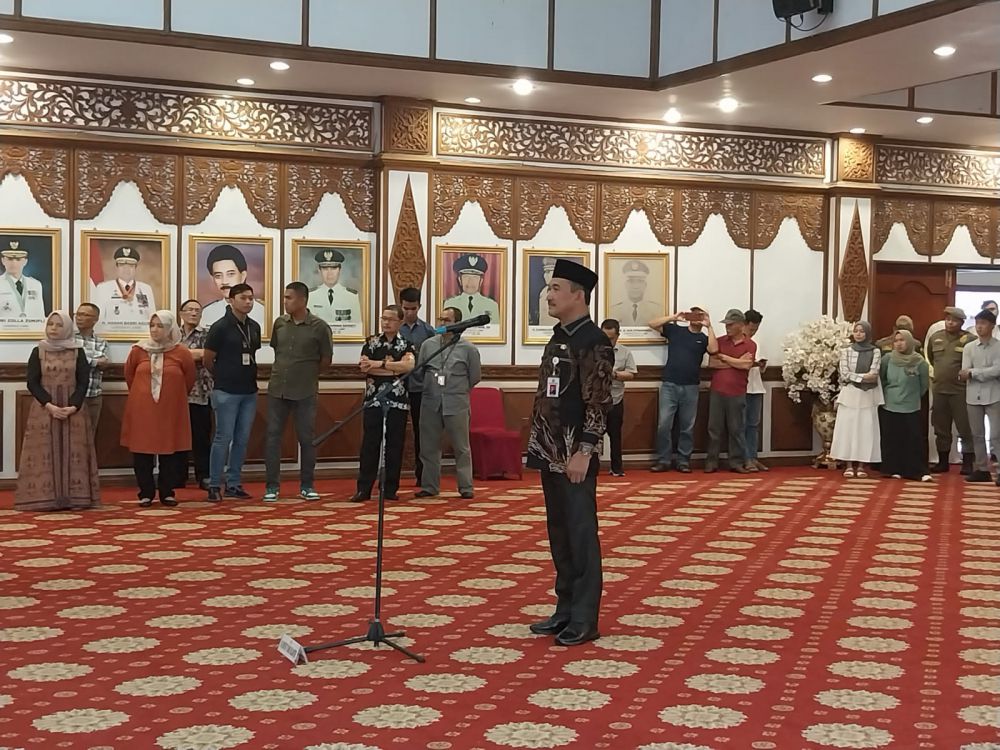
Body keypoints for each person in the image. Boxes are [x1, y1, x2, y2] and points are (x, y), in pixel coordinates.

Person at [527, 259, 614, 647]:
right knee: (559, 533)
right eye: (549, 288)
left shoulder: (594, 341)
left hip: (575, 453)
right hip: (550, 450)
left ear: (579, 295)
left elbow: (599, 402)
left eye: (556, 288)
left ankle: (584, 617)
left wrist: (585, 450)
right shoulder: (558, 336)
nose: (549, 295)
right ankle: (564, 608)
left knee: (580, 534)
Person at [15, 311, 100, 511]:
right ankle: (44, 498)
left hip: (74, 411)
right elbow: (32, 382)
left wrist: (73, 406)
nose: (53, 328)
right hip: (44, 410)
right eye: (50, 324)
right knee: (44, 453)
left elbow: (83, 382)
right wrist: (50, 405)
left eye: (59, 325)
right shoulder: (38, 351)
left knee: (74, 453)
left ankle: (76, 498)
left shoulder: (78, 352)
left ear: (68, 328)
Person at [263, 282, 333, 502]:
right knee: (273, 438)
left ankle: (307, 485)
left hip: (305, 391)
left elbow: (326, 360)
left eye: (289, 297)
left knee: (307, 439)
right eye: (284, 297)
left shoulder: (319, 327)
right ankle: (272, 487)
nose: (285, 301)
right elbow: (277, 349)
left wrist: (307, 375)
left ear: (302, 300)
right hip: (278, 389)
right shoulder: (280, 323)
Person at [121, 311, 196, 507]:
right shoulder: (138, 350)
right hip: (143, 409)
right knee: (142, 451)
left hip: (171, 410)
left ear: (170, 328)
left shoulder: (181, 352)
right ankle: (145, 493)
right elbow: (130, 376)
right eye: (152, 325)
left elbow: (189, 379)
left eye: (160, 326)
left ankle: (167, 492)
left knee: (169, 451)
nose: (155, 330)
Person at [414, 306, 482, 500]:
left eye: (447, 320)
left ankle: (466, 487)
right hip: (430, 402)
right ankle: (430, 486)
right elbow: (420, 372)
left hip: (456, 403)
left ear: (458, 324)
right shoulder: (428, 345)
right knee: (428, 447)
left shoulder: (469, 349)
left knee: (461, 448)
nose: (442, 323)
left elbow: (474, 377)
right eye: (440, 319)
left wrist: (456, 389)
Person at [350, 305, 415, 502]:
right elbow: (365, 367)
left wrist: (379, 364)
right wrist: (394, 369)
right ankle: (364, 489)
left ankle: (390, 488)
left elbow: (408, 366)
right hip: (373, 400)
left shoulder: (407, 344)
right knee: (370, 444)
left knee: (395, 445)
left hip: (398, 401)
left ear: (400, 322)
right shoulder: (371, 342)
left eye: (391, 319)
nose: (386, 322)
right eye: (383, 318)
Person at [203, 283, 262, 502]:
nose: (248, 302)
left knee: (242, 439)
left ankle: (234, 483)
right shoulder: (220, 327)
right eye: (243, 298)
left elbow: (252, 354)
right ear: (231, 300)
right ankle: (214, 484)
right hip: (226, 390)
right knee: (223, 438)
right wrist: (222, 375)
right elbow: (208, 359)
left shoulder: (254, 326)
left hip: (249, 390)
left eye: (251, 298)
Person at [648, 307, 718, 472]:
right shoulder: (675, 330)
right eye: (693, 314)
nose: (696, 317)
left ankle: (683, 461)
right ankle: (664, 460)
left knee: (687, 426)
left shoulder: (703, 338)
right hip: (670, 385)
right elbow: (652, 324)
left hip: (691, 387)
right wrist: (674, 317)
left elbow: (714, 350)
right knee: (664, 425)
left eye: (699, 315)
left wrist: (709, 326)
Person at [705, 309, 757, 473]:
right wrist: (736, 362)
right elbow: (712, 363)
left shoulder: (750, 344)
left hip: (737, 392)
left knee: (736, 429)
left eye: (731, 324)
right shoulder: (720, 341)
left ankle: (735, 462)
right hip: (717, 390)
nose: (727, 327)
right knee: (714, 428)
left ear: (741, 325)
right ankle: (711, 461)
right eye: (726, 324)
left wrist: (726, 358)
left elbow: (746, 365)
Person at [831, 322, 883, 478]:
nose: (859, 334)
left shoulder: (875, 351)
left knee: (865, 430)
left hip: (868, 396)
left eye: (862, 331)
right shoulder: (846, 351)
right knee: (848, 430)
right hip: (850, 395)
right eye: (856, 331)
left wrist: (856, 377)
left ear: (867, 333)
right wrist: (862, 377)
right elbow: (844, 374)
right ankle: (848, 465)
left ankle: (861, 465)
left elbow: (874, 374)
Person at [926, 306, 974, 474]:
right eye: (947, 319)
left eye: (954, 320)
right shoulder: (936, 337)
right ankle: (942, 461)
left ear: (961, 322)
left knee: (965, 428)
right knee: (941, 428)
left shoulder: (970, 340)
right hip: (940, 390)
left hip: (961, 391)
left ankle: (968, 462)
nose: (950, 323)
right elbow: (931, 359)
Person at [879, 330, 931, 482]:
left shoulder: (919, 361)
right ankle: (892, 469)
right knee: (892, 438)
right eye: (896, 341)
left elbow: (924, 385)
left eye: (902, 340)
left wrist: (911, 396)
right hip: (890, 404)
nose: (899, 343)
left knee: (913, 440)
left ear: (909, 341)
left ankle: (914, 471)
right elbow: (882, 380)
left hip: (911, 406)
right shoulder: (887, 359)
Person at [399, 287, 437, 487]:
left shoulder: (428, 331)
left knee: (422, 433)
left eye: (413, 309)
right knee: (395, 432)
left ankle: (422, 475)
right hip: (398, 387)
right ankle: (391, 477)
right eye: (405, 308)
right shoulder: (395, 329)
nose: (409, 312)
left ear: (419, 307)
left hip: (420, 388)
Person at [960, 309, 1000, 484]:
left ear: (992, 326)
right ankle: (982, 469)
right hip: (973, 395)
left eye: (983, 323)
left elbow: (997, 370)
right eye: (977, 323)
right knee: (977, 434)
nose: (979, 327)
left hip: (994, 395)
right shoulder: (969, 347)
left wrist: (974, 373)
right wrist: (977, 373)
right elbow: (964, 371)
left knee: (996, 435)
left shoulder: (998, 347)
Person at [178, 299, 214, 490]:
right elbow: (166, 354)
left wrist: (180, 355)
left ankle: (204, 475)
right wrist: (192, 354)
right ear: (181, 313)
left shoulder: (207, 334)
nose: (194, 313)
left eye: (197, 310)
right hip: (176, 394)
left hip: (201, 392)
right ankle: (177, 475)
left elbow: (206, 355)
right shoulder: (172, 334)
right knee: (177, 437)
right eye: (190, 310)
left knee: (201, 437)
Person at [600, 319, 637, 477]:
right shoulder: (593, 351)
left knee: (615, 436)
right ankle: (590, 468)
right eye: (604, 337)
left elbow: (631, 374)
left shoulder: (625, 352)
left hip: (615, 399)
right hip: (595, 401)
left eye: (611, 338)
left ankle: (616, 468)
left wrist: (614, 374)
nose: (607, 341)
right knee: (591, 436)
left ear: (618, 336)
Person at [200, 244, 267, 329]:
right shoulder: (207, 313)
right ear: (212, 278)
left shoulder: (262, 312)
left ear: (243, 276)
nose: (224, 282)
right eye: (218, 276)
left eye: (230, 274)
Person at [91, 246, 156, 328]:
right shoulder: (103, 288)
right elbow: (98, 320)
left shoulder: (146, 289)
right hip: (112, 334)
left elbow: (152, 318)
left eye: (130, 266)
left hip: (141, 334)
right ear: (117, 267)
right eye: (122, 265)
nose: (126, 269)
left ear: (136, 268)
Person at [73, 302, 110, 440]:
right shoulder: (69, 339)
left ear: (95, 319)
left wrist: (83, 360)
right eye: (78, 314)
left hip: (93, 396)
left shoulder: (101, 342)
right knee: (72, 437)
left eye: (84, 315)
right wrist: (94, 361)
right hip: (73, 396)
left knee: (89, 436)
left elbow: (104, 364)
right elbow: (71, 362)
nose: (79, 318)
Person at [307, 247, 363, 336]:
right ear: (319, 271)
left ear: (339, 270)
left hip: (345, 341)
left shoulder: (352, 296)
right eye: (325, 268)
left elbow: (357, 328)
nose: (329, 273)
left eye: (333, 268)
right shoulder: (310, 296)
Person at [743, 309, 768, 472]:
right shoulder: (738, 342)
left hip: (756, 386)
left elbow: (760, 368)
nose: (753, 332)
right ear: (744, 325)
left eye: (756, 329)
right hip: (742, 387)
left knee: (753, 425)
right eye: (751, 329)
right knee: (742, 425)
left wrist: (761, 365)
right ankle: (745, 458)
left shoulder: (757, 342)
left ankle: (753, 457)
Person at [441, 254, 501, 321]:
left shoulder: (492, 305)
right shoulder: (450, 303)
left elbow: (496, 327)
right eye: (466, 277)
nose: (470, 281)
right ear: (460, 280)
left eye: (475, 277)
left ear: (481, 281)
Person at [0, 242, 46, 323]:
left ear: (25, 261)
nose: (14, 263)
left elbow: (40, 315)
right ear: (3, 260)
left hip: (32, 330)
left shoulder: (35, 285)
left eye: (18, 259)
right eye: (10, 259)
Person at [609, 260, 661, 327]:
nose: (635, 286)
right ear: (625, 284)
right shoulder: (614, 310)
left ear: (645, 285)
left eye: (640, 281)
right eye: (631, 281)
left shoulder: (656, 310)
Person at [534, 257, 558, 327]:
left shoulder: (562, 292)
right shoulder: (543, 291)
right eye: (545, 272)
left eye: (548, 272)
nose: (545, 276)